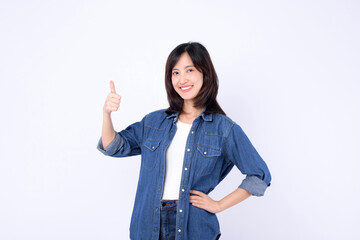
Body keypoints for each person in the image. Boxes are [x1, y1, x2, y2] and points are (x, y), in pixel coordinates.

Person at [97, 42, 272, 240]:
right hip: (147, 227)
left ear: (205, 73)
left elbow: (259, 175)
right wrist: (106, 114)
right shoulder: (154, 122)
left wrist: (219, 205)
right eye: (176, 72)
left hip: (194, 230)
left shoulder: (223, 129)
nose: (182, 79)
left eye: (189, 70)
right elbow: (112, 146)